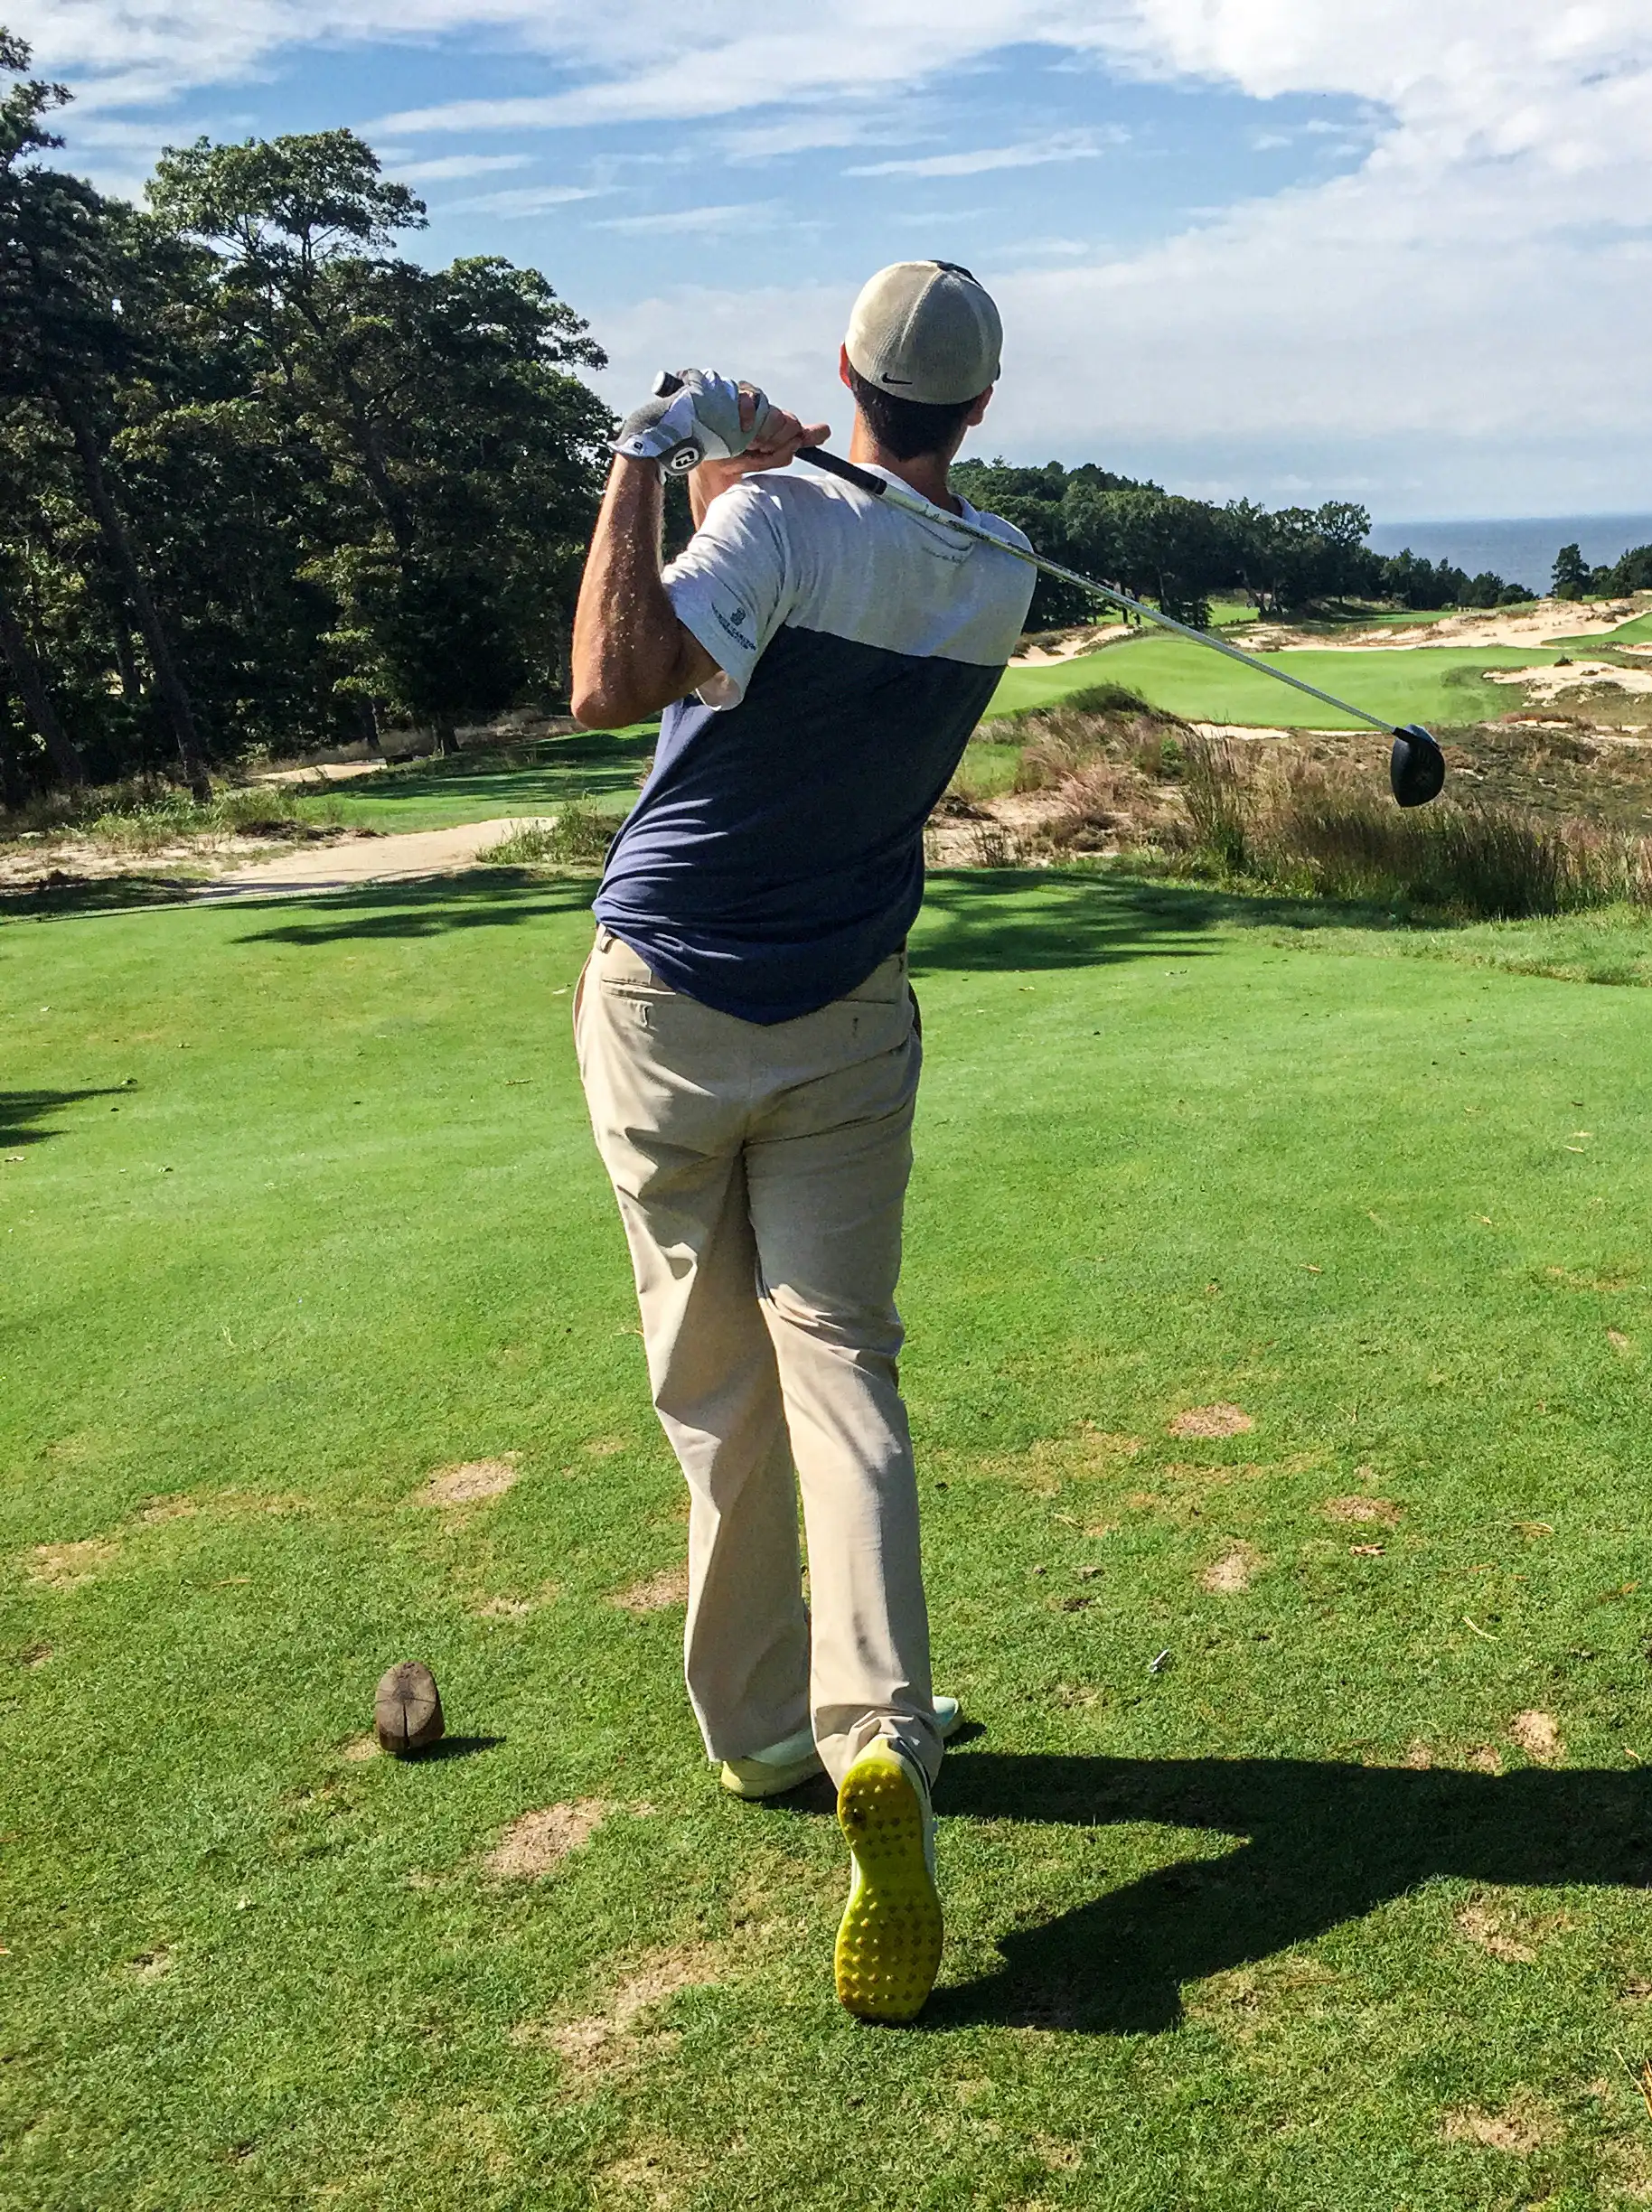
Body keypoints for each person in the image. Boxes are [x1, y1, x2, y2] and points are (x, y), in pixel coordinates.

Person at [566, 260, 1029, 2022]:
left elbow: (618, 678)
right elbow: (763, 606)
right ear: (978, 408)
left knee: (716, 1382)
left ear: (847, 370)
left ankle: (765, 1727)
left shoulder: (779, 529)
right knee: (845, 1380)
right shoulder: (994, 577)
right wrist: (738, 475)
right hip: (846, 1010)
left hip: (672, 1002)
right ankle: (878, 1734)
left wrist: (647, 448)